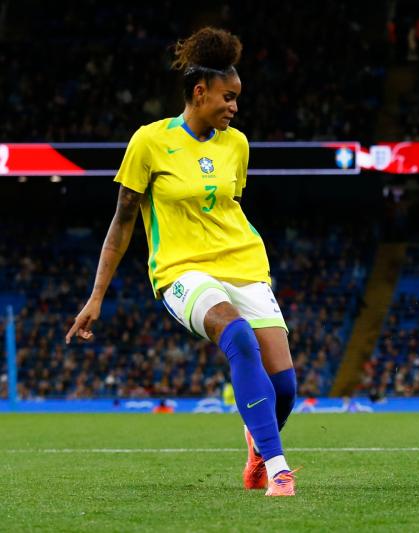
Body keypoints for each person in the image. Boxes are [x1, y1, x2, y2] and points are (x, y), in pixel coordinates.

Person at [65, 27, 298, 496]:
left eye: (237, 98)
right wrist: (95, 297)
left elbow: (229, 209)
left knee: (286, 389)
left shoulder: (237, 145)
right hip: (181, 271)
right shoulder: (149, 142)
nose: (235, 106)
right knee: (236, 335)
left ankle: (257, 442)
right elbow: (122, 222)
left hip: (245, 265)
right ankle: (277, 468)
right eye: (228, 97)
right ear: (199, 92)